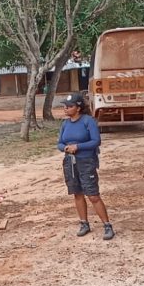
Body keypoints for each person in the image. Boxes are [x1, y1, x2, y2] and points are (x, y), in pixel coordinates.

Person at [57, 93, 114, 241]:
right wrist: (66, 148)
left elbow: (96, 141)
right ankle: (84, 223)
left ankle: (107, 225)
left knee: (93, 195)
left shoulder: (88, 121)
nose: (66, 109)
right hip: (70, 161)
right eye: (65, 106)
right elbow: (59, 143)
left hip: (86, 161)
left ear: (78, 108)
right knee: (77, 193)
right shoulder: (65, 124)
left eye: (69, 106)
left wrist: (78, 146)